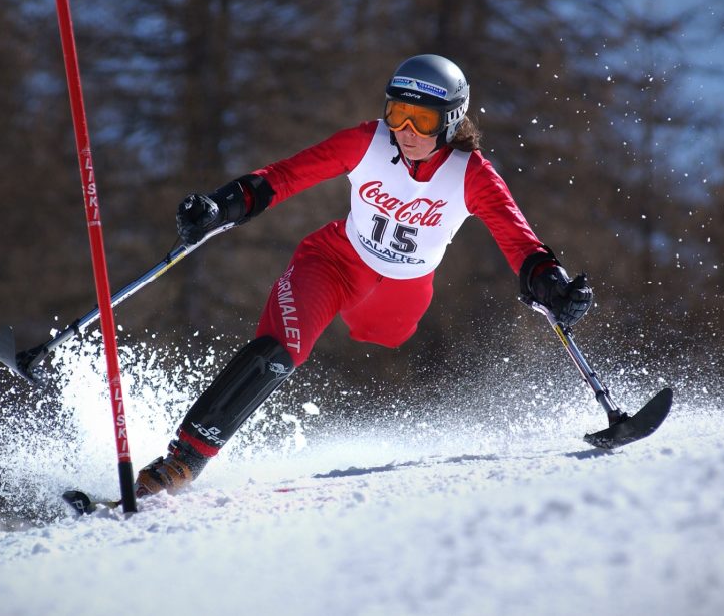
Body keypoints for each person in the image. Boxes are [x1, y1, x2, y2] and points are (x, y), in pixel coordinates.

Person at [134, 54, 593, 497]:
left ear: (451, 120)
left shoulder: (472, 175)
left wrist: (550, 283)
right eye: (398, 114)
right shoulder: (367, 142)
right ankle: (183, 460)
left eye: (423, 121)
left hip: (401, 294)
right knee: (281, 348)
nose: (407, 132)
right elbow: (284, 176)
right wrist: (221, 205)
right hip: (334, 262)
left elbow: (519, 241)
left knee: (384, 334)